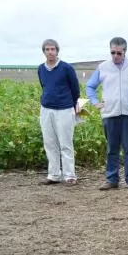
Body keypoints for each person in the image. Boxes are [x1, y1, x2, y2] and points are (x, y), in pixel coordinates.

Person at [86, 37, 128, 190]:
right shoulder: (103, 67)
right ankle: (112, 179)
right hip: (110, 114)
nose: (115, 56)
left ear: (125, 52)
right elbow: (90, 87)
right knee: (112, 148)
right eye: (112, 52)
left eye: (119, 53)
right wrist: (95, 102)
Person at [37, 38, 80, 186]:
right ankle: (54, 174)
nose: (50, 52)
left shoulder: (66, 68)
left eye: (52, 49)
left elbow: (75, 88)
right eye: (47, 49)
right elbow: (44, 85)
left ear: (57, 51)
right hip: (46, 109)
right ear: (44, 52)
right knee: (49, 142)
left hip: (64, 109)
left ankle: (69, 175)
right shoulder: (41, 68)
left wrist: (75, 104)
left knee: (65, 143)